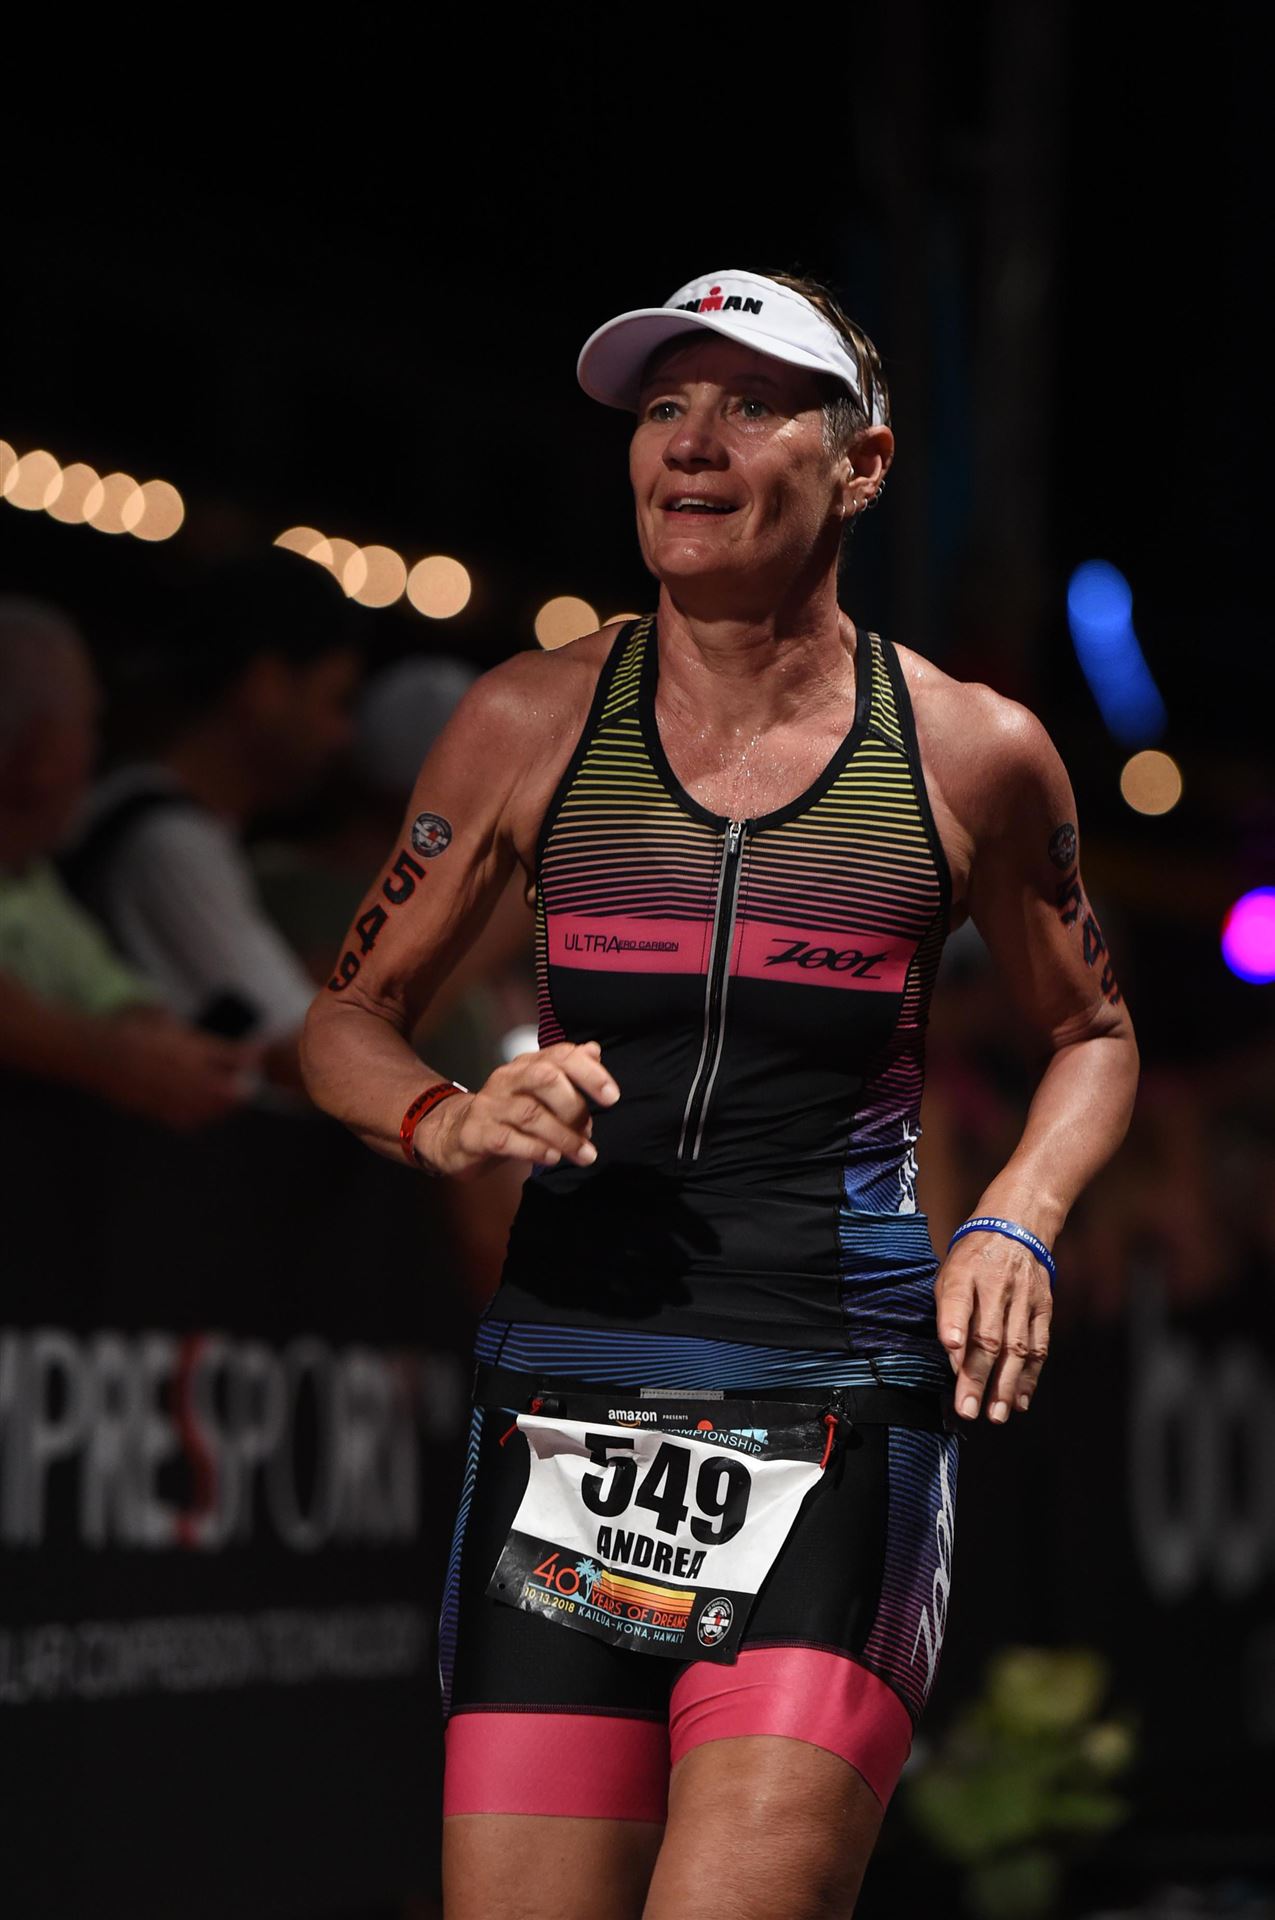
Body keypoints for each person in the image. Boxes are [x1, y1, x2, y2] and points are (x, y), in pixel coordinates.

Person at [300, 268, 1139, 1918]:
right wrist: (444, 1115)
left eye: (752, 405)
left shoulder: (971, 749)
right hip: (563, 1403)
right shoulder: (529, 717)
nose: (691, 441)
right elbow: (346, 1019)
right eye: (665, 407)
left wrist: (1018, 1220)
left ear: (863, 463)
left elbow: (1092, 1032)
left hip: (830, 1403)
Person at [62, 549, 361, 1089]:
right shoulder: (169, 843)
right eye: (334, 700)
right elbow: (317, 1063)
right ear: (266, 686)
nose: (341, 735)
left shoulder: (158, 817)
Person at [0, 596, 253, 1130]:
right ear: (41, 755)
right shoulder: (164, 834)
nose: (97, 751)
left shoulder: (30, 877)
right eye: (89, 725)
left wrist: (157, 1041)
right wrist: (106, 1057)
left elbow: (111, 992)